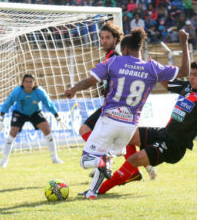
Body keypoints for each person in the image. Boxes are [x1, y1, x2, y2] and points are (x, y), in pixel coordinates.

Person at [65, 27, 190, 199]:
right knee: (107, 153)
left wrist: (74, 89)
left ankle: (101, 162)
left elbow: (90, 81)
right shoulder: (152, 68)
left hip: (109, 119)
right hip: (130, 126)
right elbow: (184, 72)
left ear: (124, 49)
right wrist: (183, 43)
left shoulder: (115, 62)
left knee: (86, 160)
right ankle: (93, 192)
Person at [105, 60, 197, 190]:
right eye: (191, 74)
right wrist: (156, 71)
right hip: (163, 132)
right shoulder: (187, 87)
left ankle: (98, 190)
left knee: (133, 159)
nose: (192, 78)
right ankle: (136, 171)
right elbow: (168, 84)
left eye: (196, 75)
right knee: (127, 133)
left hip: (174, 146)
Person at [79, 22, 148, 184]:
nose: (104, 41)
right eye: (102, 38)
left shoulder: (117, 57)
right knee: (124, 139)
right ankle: (132, 169)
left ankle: (106, 160)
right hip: (115, 106)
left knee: (85, 130)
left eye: (108, 37)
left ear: (117, 39)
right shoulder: (112, 55)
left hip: (114, 107)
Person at [0, 74, 63, 168]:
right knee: (13, 132)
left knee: (47, 128)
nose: (28, 84)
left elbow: (48, 104)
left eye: (30, 82)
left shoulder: (40, 92)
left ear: (34, 83)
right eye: (26, 81)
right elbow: (8, 103)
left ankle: (55, 158)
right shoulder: (17, 91)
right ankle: (4, 161)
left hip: (35, 112)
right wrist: (0, 117)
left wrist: (57, 117)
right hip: (19, 112)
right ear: (22, 83)